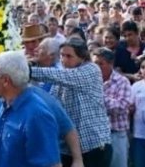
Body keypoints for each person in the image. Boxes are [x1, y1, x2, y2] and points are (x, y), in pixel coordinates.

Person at [30, 36, 112, 166]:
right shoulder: (61, 78)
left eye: (69, 56)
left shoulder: (91, 70)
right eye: (62, 55)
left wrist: (27, 71)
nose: (64, 60)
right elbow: (51, 104)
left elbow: (64, 76)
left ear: (82, 57)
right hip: (69, 149)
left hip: (94, 144)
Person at [91, 48, 132, 167]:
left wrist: (98, 96)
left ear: (110, 64)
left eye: (100, 63)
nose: (96, 67)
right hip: (95, 136)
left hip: (115, 135)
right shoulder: (90, 82)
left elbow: (121, 107)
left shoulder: (122, 81)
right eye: (94, 64)